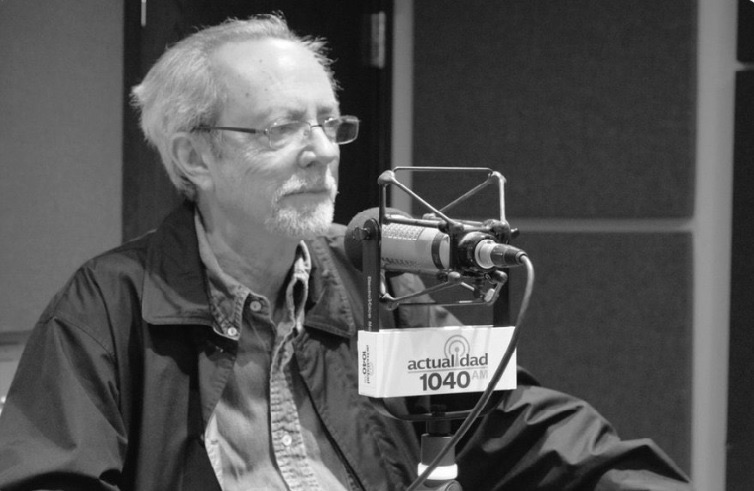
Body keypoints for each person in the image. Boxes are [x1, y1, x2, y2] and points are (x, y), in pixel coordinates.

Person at [0, 13, 692, 491]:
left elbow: (517, 428)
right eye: (282, 128)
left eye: (330, 124)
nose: (323, 152)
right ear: (194, 157)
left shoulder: (378, 279)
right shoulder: (105, 308)